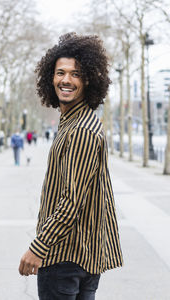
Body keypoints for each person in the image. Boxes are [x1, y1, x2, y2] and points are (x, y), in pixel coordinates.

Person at [19, 33, 123, 299]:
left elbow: (71, 202)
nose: (65, 80)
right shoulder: (75, 121)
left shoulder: (81, 130)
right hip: (80, 256)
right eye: (60, 72)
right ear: (49, 78)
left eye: (75, 74)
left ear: (88, 80)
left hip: (65, 259)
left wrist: (38, 248)